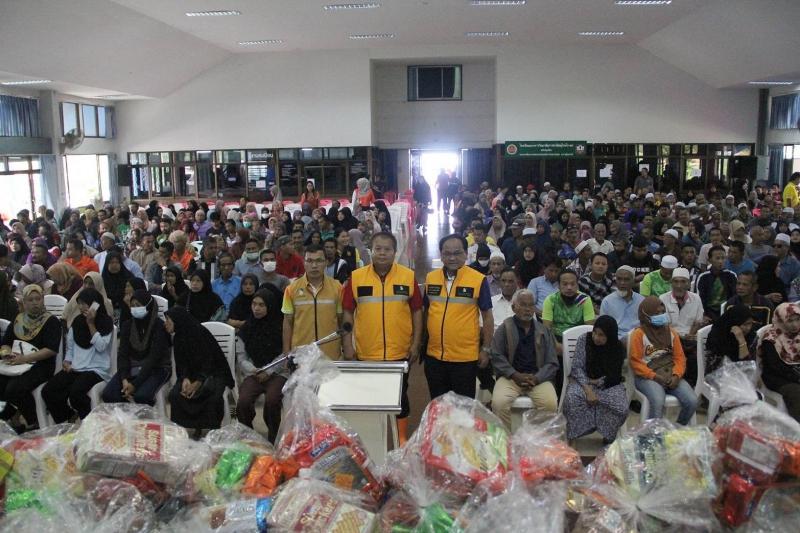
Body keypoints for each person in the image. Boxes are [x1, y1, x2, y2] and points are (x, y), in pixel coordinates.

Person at [342, 232, 423, 444]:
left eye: (387, 249)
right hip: (367, 351)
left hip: (399, 351)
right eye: (378, 248)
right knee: (370, 399)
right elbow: (348, 312)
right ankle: (373, 440)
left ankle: (401, 438)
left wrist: (416, 343)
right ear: (371, 251)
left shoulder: (407, 276)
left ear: (395, 252)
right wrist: (347, 345)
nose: (382, 253)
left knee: (400, 397)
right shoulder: (357, 277)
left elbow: (417, 311)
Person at [424, 234, 493, 399]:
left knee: (463, 407)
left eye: (457, 253)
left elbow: (487, 317)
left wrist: (485, 349)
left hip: (464, 358)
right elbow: (426, 311)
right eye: (447, 253)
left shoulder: (478, 279)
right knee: (438, 405)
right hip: (434, 356)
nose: (452, 258)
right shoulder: (431, 278)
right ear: (441, 255)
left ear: (466, 254)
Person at [490, 289, 559, 429]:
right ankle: (506, 439)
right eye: (523, 305)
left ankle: (537, 439)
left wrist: (537, 378)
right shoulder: (504, 328)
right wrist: (514, 374)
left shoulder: (543, 330)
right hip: (510, 378)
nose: (527, 309)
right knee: (498, 403)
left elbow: (552, 362)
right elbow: (496, 356)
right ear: (513, 308)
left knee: (550, 404)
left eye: (531, 305)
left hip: (537, 378)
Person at [41, 288, 113, 423]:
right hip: (76, 367)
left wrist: (91, 324)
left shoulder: (105, 322)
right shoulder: (77, 322)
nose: (81, 307)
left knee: (76, 393)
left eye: (85, 303)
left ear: (95, 304)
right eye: (79, 303)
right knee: (48, 390)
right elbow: (71, 347)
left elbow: (101, 346)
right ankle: (67, 418)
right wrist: (67, 361)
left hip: (95, 369)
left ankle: (89, 423)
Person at [0, 285, 62, 431]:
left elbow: (51, 350)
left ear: (42, 300)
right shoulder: (19, 320)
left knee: (14, 388)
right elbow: (6, 343)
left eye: (38, 299)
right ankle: (12, 419)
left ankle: (34, 421)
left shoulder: (51, 321)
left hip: (41, 364)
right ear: (24, 302)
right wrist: (6, 353)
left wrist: (25, 358)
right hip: (17, 362)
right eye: (30, 300)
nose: (35, 303)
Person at [165, 306, 234, 435]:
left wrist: (197, 383)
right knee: (175, 395)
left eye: (168, 320)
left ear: (178, 320)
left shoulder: (200, 334)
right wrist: (185, 378)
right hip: (191, 375)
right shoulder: (178, 337)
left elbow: (209, 363)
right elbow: (181, 364)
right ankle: (183, 430)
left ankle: (212, 431)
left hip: (213, 374)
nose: (166, 324)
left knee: (212, 398)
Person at [629, 296, 697, 425]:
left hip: (670, 373)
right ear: (646, 315)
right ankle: (653, 435)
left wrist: (676, 375)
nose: (661, 315)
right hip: (646, 376)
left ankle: (676, 429)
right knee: (657, 401)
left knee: (692, 401)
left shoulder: (671, 332)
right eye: (656, 313)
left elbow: (680, 358)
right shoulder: (639, 334)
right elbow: (635, 362)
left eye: (662, 312)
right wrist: (655, 376)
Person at [563, 316, 628, 443]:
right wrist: (588, 389)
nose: (596, 337)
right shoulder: (584, 340)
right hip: (582, 382)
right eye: (595, 333)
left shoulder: (617, 347)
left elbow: (614, 375)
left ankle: (608, 435)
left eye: (601, 335)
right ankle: (573, 437)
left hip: (607, 385)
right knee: (572, 400)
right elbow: (577, 367)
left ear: (610, 335)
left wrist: (598, 382)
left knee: (621, 407)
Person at [101, 290, 171, 405]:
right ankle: (126, 415)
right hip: (132, 367)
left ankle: (143, 416)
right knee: (109, 394)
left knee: (141, 396)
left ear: (148, 306)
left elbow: (153, 359)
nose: (135, 309)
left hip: (156, 368)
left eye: (138, 305)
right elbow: (123, 354)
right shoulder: (127, 326)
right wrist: (124, 379)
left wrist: (135, 384)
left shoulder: (159, 326)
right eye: (132, 306)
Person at [236, 288, 285, 441]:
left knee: (272, 400)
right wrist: (253, 370)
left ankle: (273, 436)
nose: (256, 308)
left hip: (277, 372)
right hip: (254, 372)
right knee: (243, 401)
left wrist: (268, 371)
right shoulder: (246, 328)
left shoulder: (281, 327)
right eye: (254, 304)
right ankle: (248, 435)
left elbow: (285, 354)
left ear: (270, 306)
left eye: (261, 305)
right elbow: (241, 357)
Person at [282, 245, 343, 360]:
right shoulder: (291, 289)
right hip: (301, 356)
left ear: (326, 262)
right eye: (309, 261)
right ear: (304, 263)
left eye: (319, 261)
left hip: (330, 355)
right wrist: (286, 354)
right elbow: (287, 324)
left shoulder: (337, 288)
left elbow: (341, 321)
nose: (314, 265)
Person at [659, 267, 706, 386]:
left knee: (695, 356)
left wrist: (690, 334)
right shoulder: (663, 299)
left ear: (688, 284)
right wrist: (678, 336)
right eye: (676, 281)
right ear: (671, 283)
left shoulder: (696, 298)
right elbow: (663, 325)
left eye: (683, 282)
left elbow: (698, 321)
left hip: (690, 338)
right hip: (670, 338)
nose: (679, 285)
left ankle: (693, 384)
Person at [758, 302, 800, 422]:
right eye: (790, 321)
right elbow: (775, 366)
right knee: (796, 393)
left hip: (796, 373)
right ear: (781, 320)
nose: (795, 325)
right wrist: (797, 378)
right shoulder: (771, 339)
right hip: (778, 377)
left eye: (798, 320)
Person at [705, 305, 755, 376]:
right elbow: (715, 367)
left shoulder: (750, 335)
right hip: (719, 375)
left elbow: (747, 365)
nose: (748, 328)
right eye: (745, 324)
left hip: (742, 375)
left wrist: (741, 340)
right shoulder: (718, 335)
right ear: (735, 323)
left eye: (750, 323)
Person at [599, 265, 644, 340]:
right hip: (615, 340)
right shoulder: (607, 301)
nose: (622, 283)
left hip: (637, 339)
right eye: (619, 279)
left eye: (626, 279)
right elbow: (603, 327)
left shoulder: (641, 300)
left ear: (633, 281)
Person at [696, 245, 737, 320]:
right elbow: (699, 299)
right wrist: (703, 315)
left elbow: (735, 296)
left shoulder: (731, 275)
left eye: (723, 258)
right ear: (710, 260)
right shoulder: (703, 277)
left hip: (727, 312)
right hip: (708, 313)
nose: (720, 261)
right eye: (717, 258)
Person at [102, 250, 134, 316]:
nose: (114, 265)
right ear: (107, 264)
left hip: (127, 310)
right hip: (107, 312)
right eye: (111, 262)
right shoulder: (103, 279)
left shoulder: (129, 277)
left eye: (117, 262)